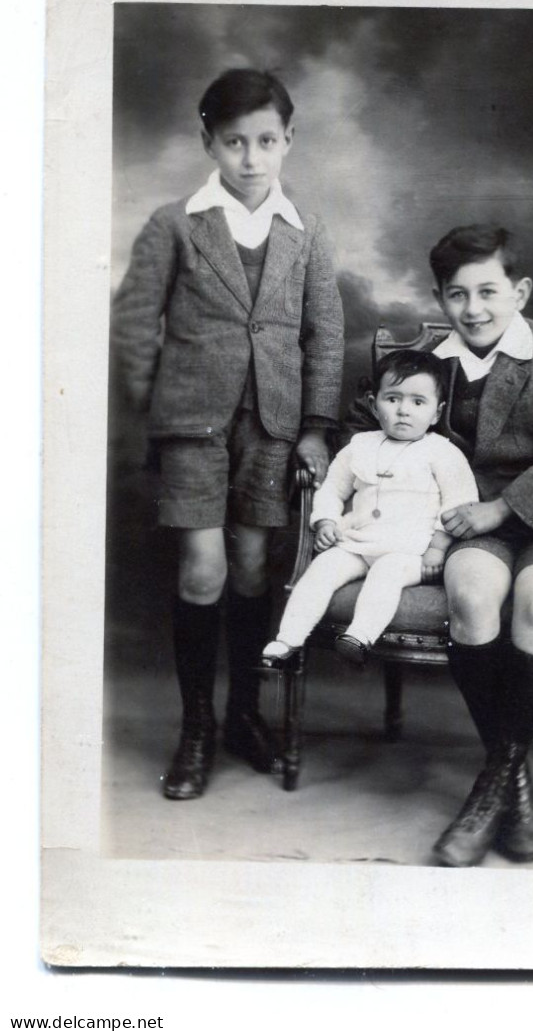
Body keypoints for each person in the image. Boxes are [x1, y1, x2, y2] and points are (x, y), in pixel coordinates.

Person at [111, 68, 344, 800]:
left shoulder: (305, 235)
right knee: (203, 568)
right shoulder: (174, 224)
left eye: (266, 141)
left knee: (249, 564)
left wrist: (313, 427)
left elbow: (326, 336)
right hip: (192, 426)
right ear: (208, 140)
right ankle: (197, 728)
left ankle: (243, 713)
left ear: (287, 143)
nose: (251, 157)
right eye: (234, 141)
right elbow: (132, 325)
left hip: (272, 429)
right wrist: (156, 412)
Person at [347, 224, 533, 866]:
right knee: (470, 596)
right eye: (458, 296)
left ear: (518, 292)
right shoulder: (436, 363)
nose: (475, 309)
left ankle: (492, 785)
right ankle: (511, 782)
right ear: (442, 301)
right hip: (466, 515)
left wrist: (504, 508)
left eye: (489, 292)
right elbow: (374, 416)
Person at [262, 350, 478, 667]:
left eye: (418, 402)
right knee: (320, 571)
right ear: (375, 404)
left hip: (411, 552)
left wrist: (438, 546)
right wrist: (326, 522)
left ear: (436, 412)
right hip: (358, 542)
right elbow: (333, 488)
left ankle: (360, 636)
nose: (404, 411)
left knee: (386, 574)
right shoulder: (360, 446)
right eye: (393, 399)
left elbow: (460, 501)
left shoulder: (442, 452)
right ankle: (287, 641)